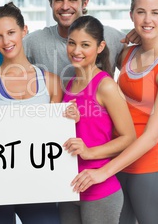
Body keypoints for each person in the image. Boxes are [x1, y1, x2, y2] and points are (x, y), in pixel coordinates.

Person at [71, 0, 158, 224]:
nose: (148, 19)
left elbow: (150, 136)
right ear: (131, 14)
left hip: (150, 170)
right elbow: (99, 81)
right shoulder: (128, 54)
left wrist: (103, 171)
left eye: (155, 13)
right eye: (141, 12)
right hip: (118, 168)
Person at [0, 2, 63, 224]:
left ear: (24, 31)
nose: (6, 41)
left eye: (11, 33)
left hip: (39, 183)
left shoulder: (51, 83)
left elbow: (57, 137)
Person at [59, 15, 136, 224]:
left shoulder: (106, 86)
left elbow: (129, 137)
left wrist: (90, 152)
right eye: (72, 43)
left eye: (85, 45)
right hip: (69, 188)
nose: (76, 51)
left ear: (100, 47)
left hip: (99, 189)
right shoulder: (70, 85)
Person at [23, 0, 129, 82]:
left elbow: (140, 70)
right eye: (58, 0)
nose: (65, 7)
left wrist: (141, 35)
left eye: (72, 0)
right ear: (51, 3)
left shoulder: (111, 37)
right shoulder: (33, 42)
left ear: (85, 3)